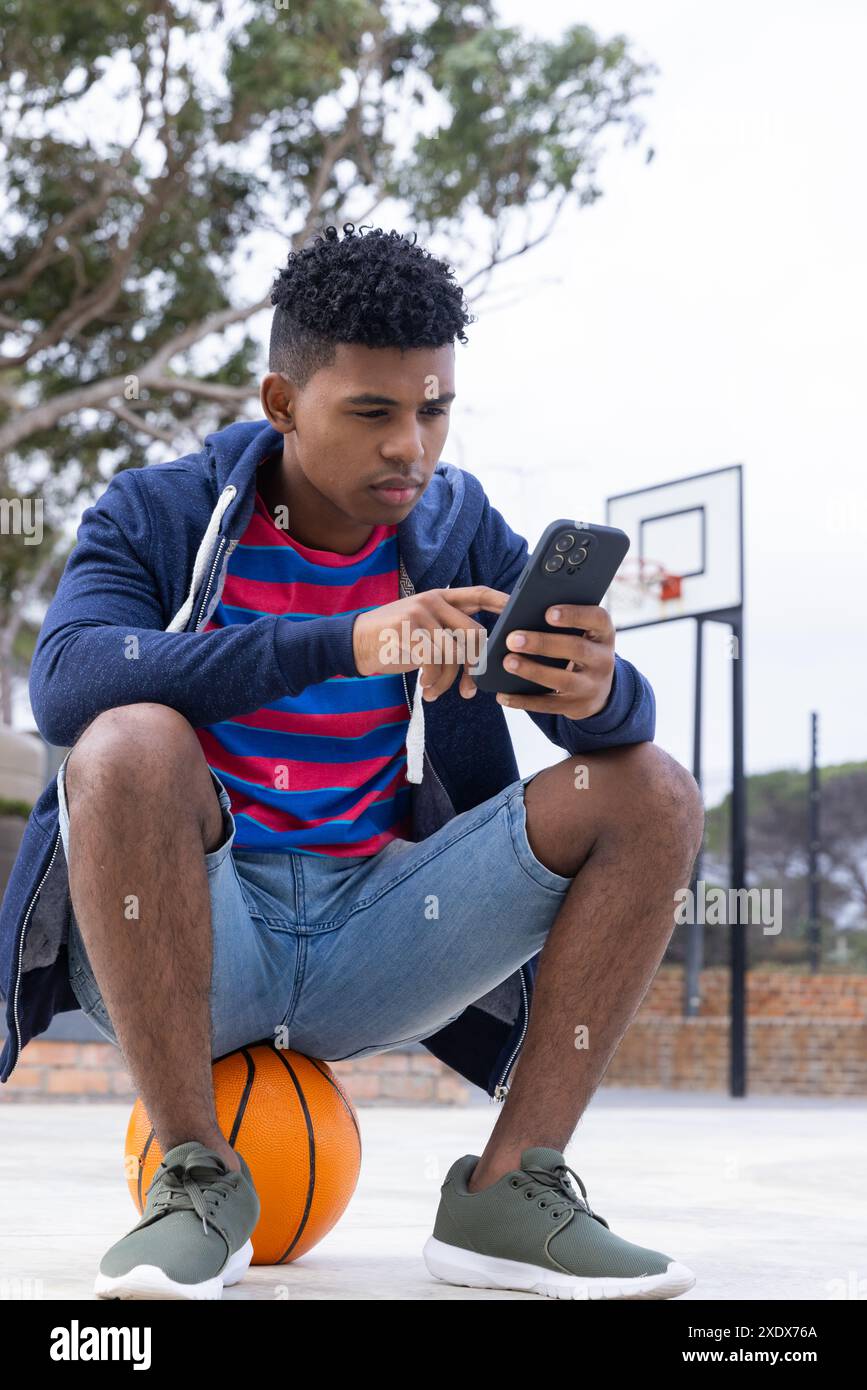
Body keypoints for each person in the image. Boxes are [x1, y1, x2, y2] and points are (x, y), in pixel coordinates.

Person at [9, 223, 703, 1300]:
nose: (410, 449)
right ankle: (195, 1176)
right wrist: (347, 640)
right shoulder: (156, 511)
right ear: (282, 402)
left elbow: (604, 737)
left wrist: (604, 692)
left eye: (433, 410)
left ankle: (508, 1190)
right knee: (129, 738)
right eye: (372, 413)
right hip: (199, 929)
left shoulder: (461, 528)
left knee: (653, 786)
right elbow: (65, 686)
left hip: (384, 930)